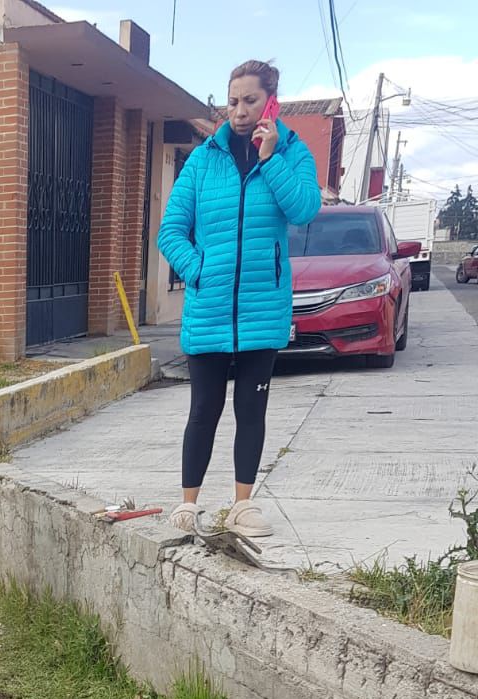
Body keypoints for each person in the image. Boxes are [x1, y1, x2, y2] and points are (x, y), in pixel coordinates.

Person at [158, 59, 320, 562]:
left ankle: (242, 504)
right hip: (208, 310)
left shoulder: (293, 154)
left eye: (250, 100)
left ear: (272, 100)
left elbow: (305, 211)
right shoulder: (204, 161)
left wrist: (271, 159)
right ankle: (188, 504)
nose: (240, 111)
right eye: (233, 101)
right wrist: (198, 269)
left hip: (262, 309)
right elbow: (170, 231)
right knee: (203, 410)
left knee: (252, 410)